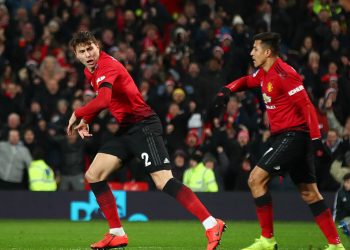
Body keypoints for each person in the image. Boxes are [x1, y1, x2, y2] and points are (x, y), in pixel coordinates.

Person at [66, 31, 226, 250]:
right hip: (127, 129)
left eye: (90, 48)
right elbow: (106, 100)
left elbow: (103, 101)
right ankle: (117, 233)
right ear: (76, 55)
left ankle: (211, 223)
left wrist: (79, 113)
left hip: (144, 125)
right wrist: (87, 119)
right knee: (93, 175)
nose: (88, 54)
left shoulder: (107, 65)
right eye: (82, 51)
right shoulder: (89, 71)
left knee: (163, 181)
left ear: (98, 46)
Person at [209, 32, 344, 250]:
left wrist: (317, 139)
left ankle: (267, 240)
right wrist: (227, 90)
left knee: (255, 180)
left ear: (268, 52)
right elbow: (247, 81)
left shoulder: (285, 73)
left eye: (255, 48)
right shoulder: (263, 73)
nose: (252, 53)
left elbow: (307, 106)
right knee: (310, 193)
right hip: (288, 137)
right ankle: (335, 245)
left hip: (294, 136)